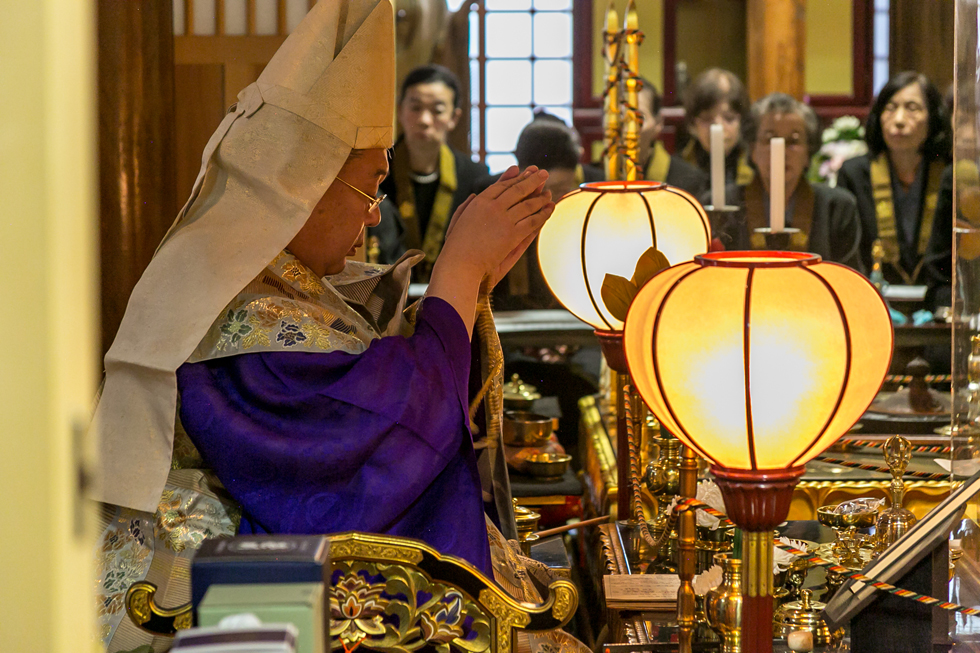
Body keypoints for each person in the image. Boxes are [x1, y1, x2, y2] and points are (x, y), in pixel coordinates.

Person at [91, 2, 554, 648]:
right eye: (371, 186)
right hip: (206, 609)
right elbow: (376, 440)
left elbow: (363, 388)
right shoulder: (232, 315)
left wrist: (466, 283)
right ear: (303, 184)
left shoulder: (254, 277)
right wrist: (458, 271)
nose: (373, 218)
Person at [710, 93, 864, 272]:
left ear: (808, 152)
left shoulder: (836, 207)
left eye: (793, 141)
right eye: (769, 139)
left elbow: (848, 278)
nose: (781, 151)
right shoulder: (726, 204)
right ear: (752, 150)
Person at [370, 64, 489, 278]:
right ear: (399, 111)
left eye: (437, 110)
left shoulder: (475, 178)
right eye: (415, 108)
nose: (424, 120)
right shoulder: (373, 174)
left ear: (454, 117)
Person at [836, 71, 952, 287]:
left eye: (912, 108)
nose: (898, 120)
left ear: (933, 117)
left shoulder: (950, 175)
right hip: (872, 297)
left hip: (939, 301)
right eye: (890, 108)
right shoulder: (853, 174)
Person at [680, 68, 754, 187]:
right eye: (707, 119)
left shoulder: (755, 169)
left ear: (742, 122)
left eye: (729, 118)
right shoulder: (679, 170)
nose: (718, 127)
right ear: (692, 124)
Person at [637, 77, 708, 196]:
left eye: (638, 118)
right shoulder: (597, 177)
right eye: (617, 116)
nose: (626, 128)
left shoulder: (688, 181)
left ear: (659, 123)